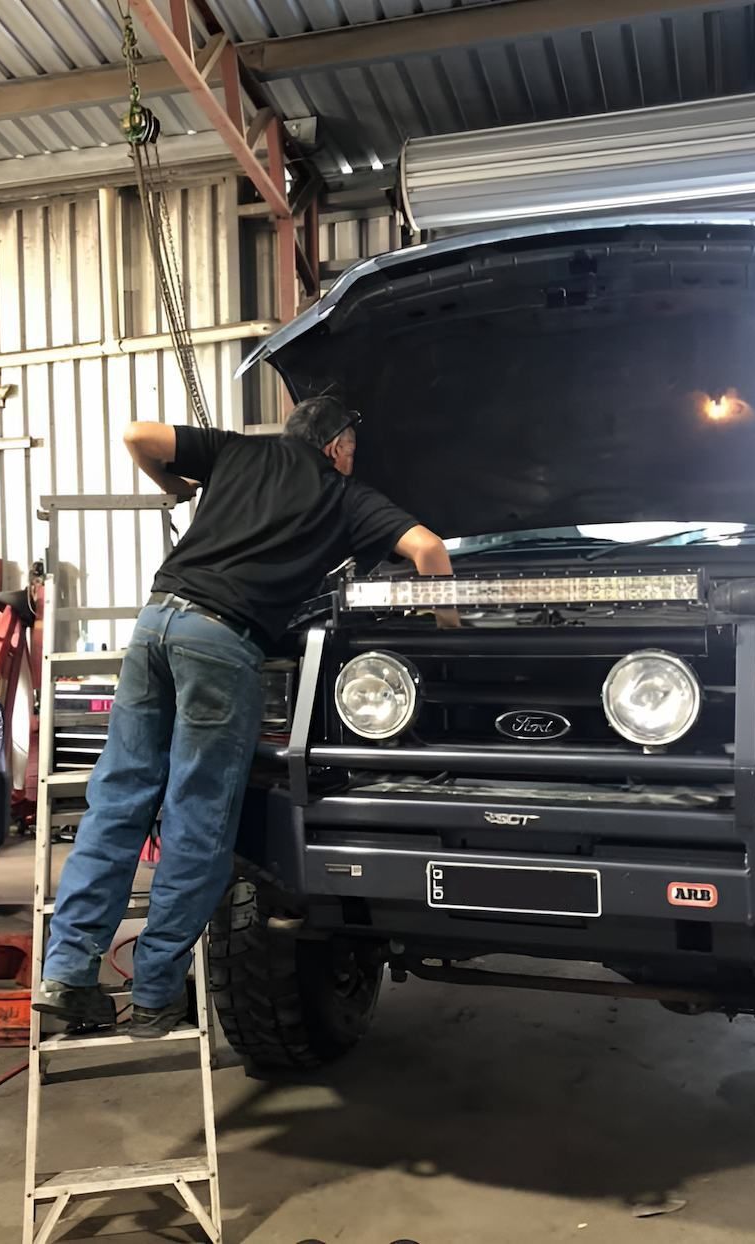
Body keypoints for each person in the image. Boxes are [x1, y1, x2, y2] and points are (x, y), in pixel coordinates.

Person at [35, 396, 456, 1037]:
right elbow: (428, 550)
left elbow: (137, 433)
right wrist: (445, 631)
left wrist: (178, 489)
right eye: (352, 449)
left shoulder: (237, 450)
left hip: (156, 624)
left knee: (117, 800)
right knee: (197, 820)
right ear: (338, 447)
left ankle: (66, 974)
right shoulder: (344, 495)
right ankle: (153, 996)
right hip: (221, 641)